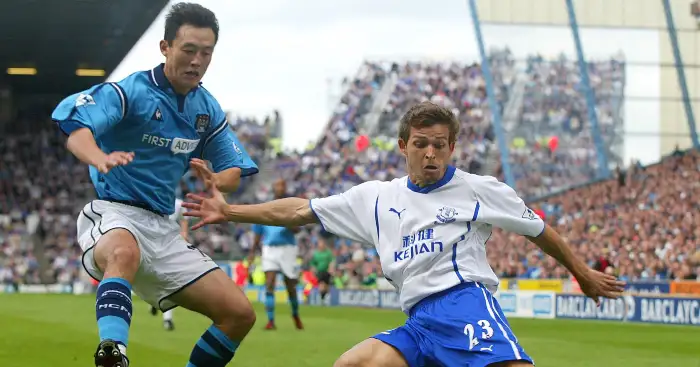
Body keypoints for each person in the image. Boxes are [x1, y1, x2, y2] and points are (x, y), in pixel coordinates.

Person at [182, 101, 625, 367]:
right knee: (351, 364)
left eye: (439, 144)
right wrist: (231, 210)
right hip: (418, 321)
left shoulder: (479, 189)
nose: (430, 153)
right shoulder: (374, 197)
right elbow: (301, 210)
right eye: (420, 143)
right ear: (403, 147)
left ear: (452, 147)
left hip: (464, 301)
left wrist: (582, 272)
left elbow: (539, 230)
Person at [51, 3, 259, 367]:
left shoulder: (206, 109)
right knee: (123, 253)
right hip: (115, 212)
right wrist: (98, 158)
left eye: (206, 53)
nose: (197, 61)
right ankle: (113, 354)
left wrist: (216, 182)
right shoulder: (131, 93)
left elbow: (232, 171)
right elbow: (74, 126)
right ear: (165, 47)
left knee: (239, 313)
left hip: (163, 230)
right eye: (188, 50)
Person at [247, 179, 303, 330]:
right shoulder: (266, 207)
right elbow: (258, 232)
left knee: (290, 285)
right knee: (269, 283)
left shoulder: (291, 206)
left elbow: (298, 229)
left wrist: (288, 223)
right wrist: (252, 252)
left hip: (287, 248)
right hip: (269, 248)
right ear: (273, 187)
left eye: (283, 185)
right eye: (278, 184)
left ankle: (295, 314)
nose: (280, 187)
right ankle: (271, 321)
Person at [148, 197, 189, 331]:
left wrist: (184, 234)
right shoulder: (152, 198)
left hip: (170, 246)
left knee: (169, 281)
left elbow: (184, 219)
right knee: (155, 278)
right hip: (153, 246)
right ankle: (154, 300)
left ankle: (167, 319)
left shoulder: (178, 203)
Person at [309, 235, 334, 303]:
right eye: (320, 243)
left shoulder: (328, 252)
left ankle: (326, 298)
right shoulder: (316, 253)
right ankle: (321, 298)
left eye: (322, 243)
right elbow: (313, 263)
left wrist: (331, 268)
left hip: (327, 271)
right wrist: (313, 269)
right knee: (321, 284)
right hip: (320, 271)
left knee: (326, 285)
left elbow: (331, 260)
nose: (321, 245)